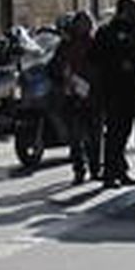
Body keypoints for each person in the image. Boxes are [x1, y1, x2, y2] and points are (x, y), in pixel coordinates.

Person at [90, 0, 135, 187]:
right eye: (133, 10)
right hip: (113, 87)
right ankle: (110, 174)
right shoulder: (108, 31)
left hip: (130, 86)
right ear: (124, 11)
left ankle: (120, 170)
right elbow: (96, 57)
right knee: (115, 132)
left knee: (123, 131)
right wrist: (117, 63)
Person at [50, 10, 100, 183]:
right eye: (80, 23)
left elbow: (102, 68)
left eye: (85, 23)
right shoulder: (66, 44)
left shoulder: (95, 43)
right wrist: (64, 78)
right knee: (75, 136)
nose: (82, 26)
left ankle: (95, 168)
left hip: (92, 95)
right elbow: (55, 66)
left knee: (94, 135)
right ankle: (79, 169)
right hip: (71, 95)